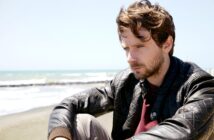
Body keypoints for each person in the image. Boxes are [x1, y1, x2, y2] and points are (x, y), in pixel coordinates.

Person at [48, 0, 214, 140]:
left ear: (167, 44)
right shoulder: (125, 81)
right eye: (126, 48)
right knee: (81, 122)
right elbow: (68, 105)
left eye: (140, 46)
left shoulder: (201, 86)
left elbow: (182, 132)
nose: (130, 58)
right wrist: (60, 136)